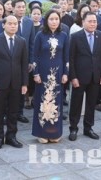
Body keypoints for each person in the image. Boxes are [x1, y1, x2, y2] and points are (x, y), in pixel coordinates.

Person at [0, 15, 28, 150]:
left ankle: (11, 136)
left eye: (15, 24)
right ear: (3, 25)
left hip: (16, 83)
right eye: (10, 23)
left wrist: (24, 84)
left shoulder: (21, 41)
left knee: (13, 112)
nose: (13, 26)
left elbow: (23, 64)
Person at [68, 12, 101, 141]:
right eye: (90, 21)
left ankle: (88, 128)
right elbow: (71, 58)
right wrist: (73, 77)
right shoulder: (75, 37)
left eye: (94, 21)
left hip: (95, 76)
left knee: (91, 104)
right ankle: (73, 128)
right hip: (79, 77)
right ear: (83, 22)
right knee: (76, 104)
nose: (92, 24)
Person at [32, 10, 69, 143]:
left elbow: (66, 57)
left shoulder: (64, 35)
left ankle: (54, 133)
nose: (54, 21)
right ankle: (41, 132)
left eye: (56, 19)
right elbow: (34, 55)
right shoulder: (40, 35)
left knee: (56, 101)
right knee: (43, 101)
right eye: (51, 19)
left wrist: (66, 73)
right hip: (43, 73)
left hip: (58, 73)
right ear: (46, 20)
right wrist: (35, 73)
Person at [13, 0, 35, 124]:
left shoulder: (29, 22)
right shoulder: (8, 21)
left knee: (23, 86)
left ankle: (20, 113)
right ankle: (9, 112)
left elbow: (32, 43)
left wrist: (31, 61)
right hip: (10, 61)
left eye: (23, 7)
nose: (21, 9)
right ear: (13, 8)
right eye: (19, 7)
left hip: (24, 61)